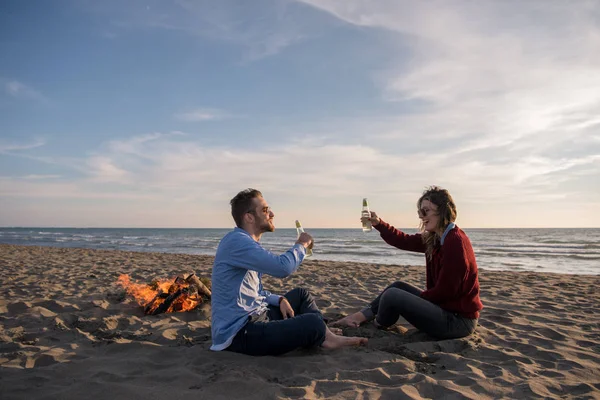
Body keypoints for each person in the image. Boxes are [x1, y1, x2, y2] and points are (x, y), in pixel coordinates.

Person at [210, 188, 367, 356]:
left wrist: (279, 299)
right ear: (248, 217)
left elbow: (252, 291)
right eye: (264, 210)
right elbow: (282, 268)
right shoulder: (237, 242)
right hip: (240, 332)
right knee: (312, 322)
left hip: (257, 314)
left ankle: (325, 334)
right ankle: (325, 336)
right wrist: (302, 245)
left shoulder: (244, 242)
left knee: (301, 295)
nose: (271, 214)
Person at [332, 186, 483, 339]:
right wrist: (379, 223)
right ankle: (359, 317)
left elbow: (446, 291)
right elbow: (403, 240)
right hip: (444, 310)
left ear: (443, 210)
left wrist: (415, 301)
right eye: (420, 212)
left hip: (457, 322)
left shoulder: (455, 242)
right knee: (398, 287)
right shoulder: (436, 238)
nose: (421, 216)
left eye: (426, 211)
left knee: (393, 295)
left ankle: (379, 324)